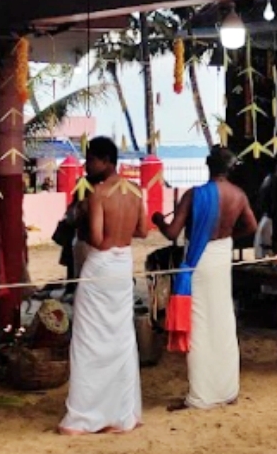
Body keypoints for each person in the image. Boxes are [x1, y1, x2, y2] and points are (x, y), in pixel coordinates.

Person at [153, 148, 257, 411]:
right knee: (222, 321)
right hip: (221, 256)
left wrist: (157, 220)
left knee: (199, 324)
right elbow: (251, 227)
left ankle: (201, 395)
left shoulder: (195, 194)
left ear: (207, 165)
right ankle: (227, 389)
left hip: (198, 260)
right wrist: (229, 235)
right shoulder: (238, 195)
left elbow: (172, 232)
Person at [59, 137, 146, 435]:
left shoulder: (98, 195)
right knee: (121, 336)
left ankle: (85, 416)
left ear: (107, 160)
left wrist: (83, 214)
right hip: (123, 265)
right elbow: (144, 230)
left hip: (100, 264)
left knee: (88, 338)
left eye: (91, 160)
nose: (87, 165)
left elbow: (96, 238)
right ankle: (120, 414)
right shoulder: (135, 191)